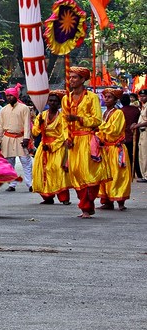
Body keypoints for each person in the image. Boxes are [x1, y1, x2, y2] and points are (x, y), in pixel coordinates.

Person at [61, 67, 109, 218]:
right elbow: (63, 122)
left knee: (88, 174)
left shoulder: (92, 97)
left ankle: (86, 206)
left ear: (83, 79)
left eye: (75, 77)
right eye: (70, 77)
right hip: (73, 141)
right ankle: (85, 205)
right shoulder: (66, 99)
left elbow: (97, 120)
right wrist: (66, 138)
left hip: (87, 139)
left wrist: (78, 119)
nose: (71, 80)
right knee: (75, 173)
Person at [32, 90, 71, 205]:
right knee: (41, 170)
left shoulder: (62, 117)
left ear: (59, 104)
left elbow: (64, 135)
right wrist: (39, 124)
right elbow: (35, 132)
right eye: (51, 100)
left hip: (57, 148)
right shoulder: (42, 115)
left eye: (55, 101)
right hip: (43, 146)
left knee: (57, 170)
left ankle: (64, 198)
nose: (52, 103)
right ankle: (47, 197)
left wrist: (51, 146)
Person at [0, 86, 33, 192]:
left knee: (26, 161)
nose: (9, 97)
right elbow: (0, 126)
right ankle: (12, 184)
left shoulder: (24, 108)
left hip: (21, 138)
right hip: (7, 138)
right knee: (9, 163)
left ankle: (30, 184)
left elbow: (27, 124)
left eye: (11, 95)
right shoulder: (3, 110)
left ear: (16, 95)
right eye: (7, 96)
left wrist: (26, 138)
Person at [98, 87, 131, 211]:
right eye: (105, 97)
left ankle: (120, 201)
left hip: (116, 149)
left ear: (116, 100)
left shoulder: (118, 113)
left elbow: (114, 130)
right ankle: (107, 201)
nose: (106, 99)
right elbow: (101, 131)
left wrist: (99, 124)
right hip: (105, 148)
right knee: (105, 175)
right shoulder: (104, 113)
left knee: (118, 175)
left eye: (109, 97)